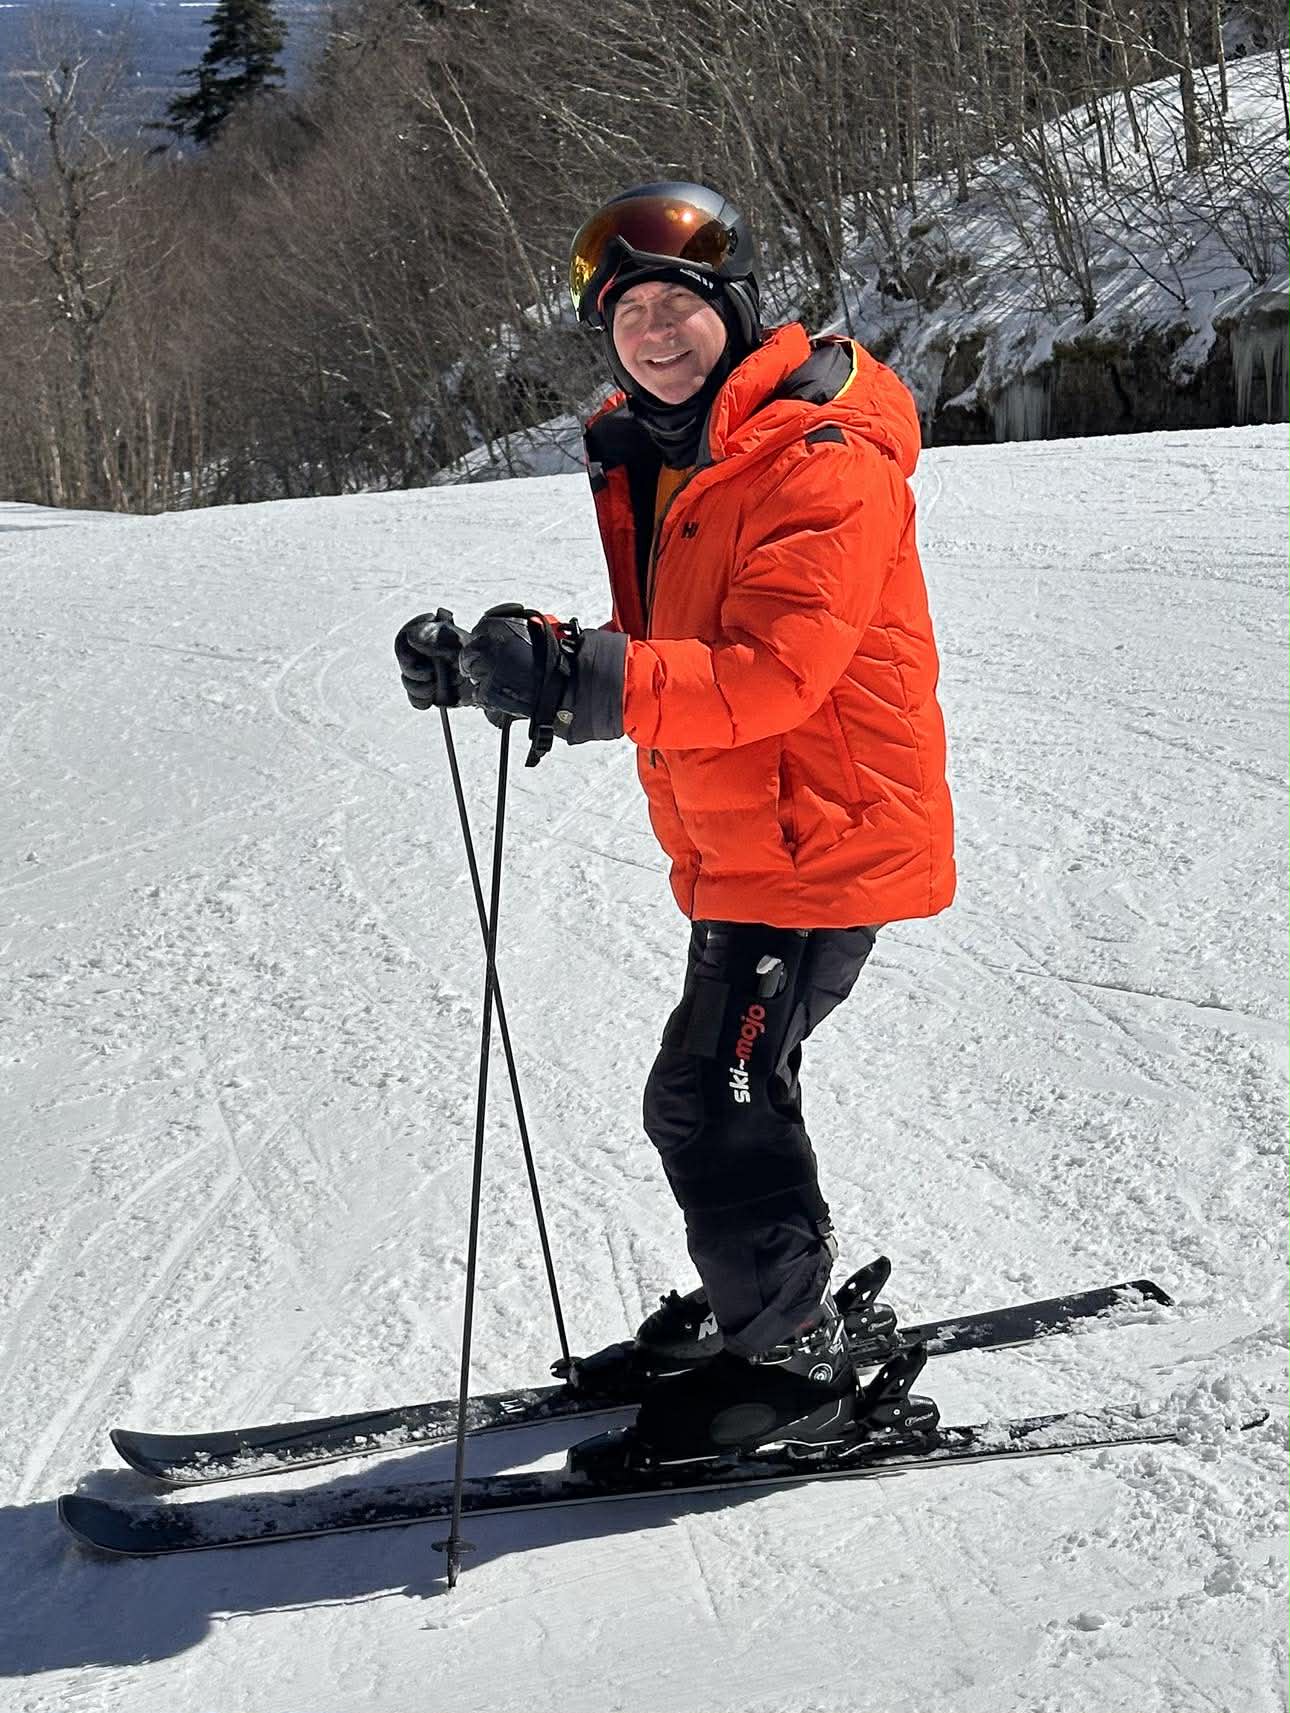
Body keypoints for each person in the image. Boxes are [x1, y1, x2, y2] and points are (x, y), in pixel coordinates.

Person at [395, 181, 954, 1466]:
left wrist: (578, 681)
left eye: (675, 305)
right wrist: (507, 661)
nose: (651, 332)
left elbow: (772, 672)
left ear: (735, 309)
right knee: (719, 1086)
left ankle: (789, 1360)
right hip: (755, 835)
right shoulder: (691, 449)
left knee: (716, 1094)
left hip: (821, 835)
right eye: (627, 314)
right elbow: (677, 640)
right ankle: (767, 1305)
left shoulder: (818, 456)